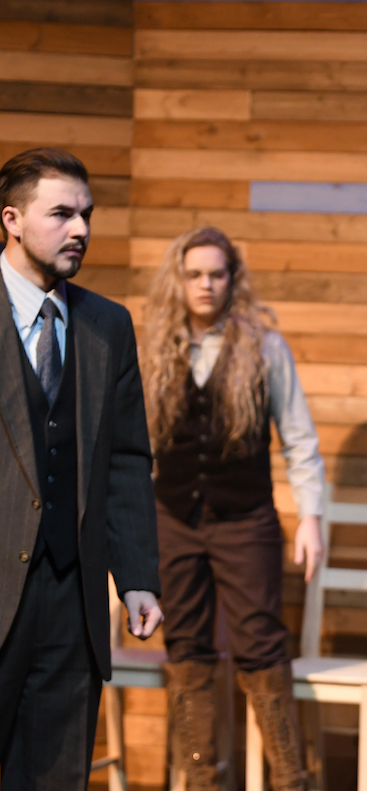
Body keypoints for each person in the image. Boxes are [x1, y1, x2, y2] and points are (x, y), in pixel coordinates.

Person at [141, 226, 325, 791]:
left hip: (244, 520)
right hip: (173, 518)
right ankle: (200, 780)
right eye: (194, 274)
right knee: (187, 645)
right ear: (180, 279)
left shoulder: (263, 347)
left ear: (232, 279)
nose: (205, 285)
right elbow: (134, 448)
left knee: (260, 642)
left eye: (216, 274)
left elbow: (299, 439)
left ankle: (290, 780)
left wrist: (310, 518)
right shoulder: (155, 348)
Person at [0, 147, 162, 789]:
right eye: (61, 213)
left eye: (87, 214)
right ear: (11, 219)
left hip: (71, 600)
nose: (81, 230)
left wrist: (139, 577)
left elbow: (125, 460)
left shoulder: (106, 325)